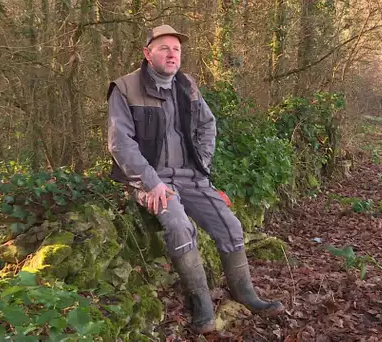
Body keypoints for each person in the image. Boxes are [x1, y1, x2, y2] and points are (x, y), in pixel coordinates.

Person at [106, 24, 284, 334]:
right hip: (151, 180)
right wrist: (151, 183)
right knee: (178, 225)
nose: (172, 54)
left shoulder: (187, 85)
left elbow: (208, 125)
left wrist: (201, 164)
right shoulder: (124, 89)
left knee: (231, 225)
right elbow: (120, 144)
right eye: (164, 48)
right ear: (147, 54)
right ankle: (201, 302)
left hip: (190, 176)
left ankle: (244, 292)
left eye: (176, 49)